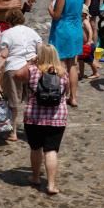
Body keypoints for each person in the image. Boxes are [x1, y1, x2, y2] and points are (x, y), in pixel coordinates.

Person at [14, 44, 69, 195]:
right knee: (51, 150)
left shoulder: (32, 70)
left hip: (34, 117)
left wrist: (30, 62)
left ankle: (36, 177)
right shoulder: (63, 72)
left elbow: (16, 75)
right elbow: (66, 93)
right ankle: (51, 185)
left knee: (35, 148)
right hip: (57, 117)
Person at [0, 9, 42, 142]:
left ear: (9, 21)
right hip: (32, 69)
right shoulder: (32, 32)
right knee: (32, 101)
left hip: (14, 69)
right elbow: (40, 50)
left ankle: (13, 132)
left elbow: (3, 55)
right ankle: (33, 129)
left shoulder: (6, 34)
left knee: (13, 103)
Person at [49, 0, 84, 108]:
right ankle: (73, 97)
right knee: (73, 65)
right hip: (76, 29)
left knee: (61, 65)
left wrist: (50, 7)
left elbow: (57, 16)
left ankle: (62, 95)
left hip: (63, 30)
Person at [78, 11, 100, 80]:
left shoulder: (85, 22)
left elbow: (90, 31)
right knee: (80, 60)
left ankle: (96, 72)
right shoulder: (80, 21)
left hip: (88, 45)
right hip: (82, 45)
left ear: (84, 15)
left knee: (90, 60)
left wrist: (89, 40)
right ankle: (81, 74)